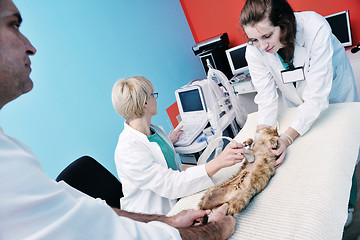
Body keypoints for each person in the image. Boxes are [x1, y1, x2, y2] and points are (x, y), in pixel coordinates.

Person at [0, 0, 236, 239]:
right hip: (159, 211)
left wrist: (171, 143)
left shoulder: (155, 130)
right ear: (145, 103)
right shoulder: (128, 150)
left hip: (169, 212)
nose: (30, 47)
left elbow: (94, 214)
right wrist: (217, 168)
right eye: (12, 25)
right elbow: (168, 184)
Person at [239, 0, 358, 227]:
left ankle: (348, 203)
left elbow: (316, 98)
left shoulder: (315, 28)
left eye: (267, 36)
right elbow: (266, 98)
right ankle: (320, 198)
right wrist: (261, 138)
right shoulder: (255, 51)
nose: (262, 46)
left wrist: (286, 137)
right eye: (254, 39)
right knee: (308, 149)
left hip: (334, 93)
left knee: (341, 149)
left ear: (283, 25)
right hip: (296, 96)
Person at [111, 76, 251, 215]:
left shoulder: (152, 131)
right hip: (154, 216)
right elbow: (171, 184)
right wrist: (218, 163)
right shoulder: (128, 151)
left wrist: (167, 142)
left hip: (175, 197)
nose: (155, 99)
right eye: (153, 95)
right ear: (144, 104)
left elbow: (154, 153)